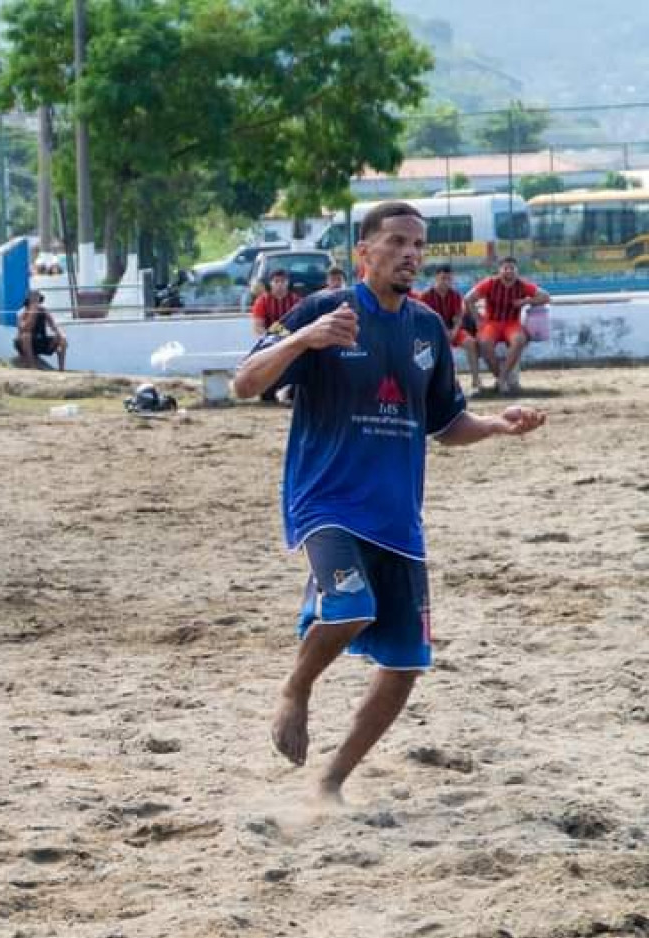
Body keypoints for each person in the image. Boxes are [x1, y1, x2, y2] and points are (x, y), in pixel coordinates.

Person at [230, 200, 546, 803]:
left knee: (405, 664)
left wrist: (497, 425)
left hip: (398, 517)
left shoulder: (427, 328)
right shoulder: (326, 310)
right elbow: (245, 383)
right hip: (327, 502)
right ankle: (295, 690)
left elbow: (446, 424)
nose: (411, 255)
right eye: (397, 241)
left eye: (419, 246)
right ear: (364, 252)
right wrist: (303, 338)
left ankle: (329, 782)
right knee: (349, 605)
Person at [468, 256, 549, 394]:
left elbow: (545, 297)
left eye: (512, 268)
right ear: (500, 270)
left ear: (517, 271)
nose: (509, 271)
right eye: (506, 268)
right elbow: (468, 299)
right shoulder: (490, 283)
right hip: (491, 323)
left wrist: (525, 301)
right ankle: (501, 378)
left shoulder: (522, 285)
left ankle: (502, 378)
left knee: (519, 340)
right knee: (484, 343)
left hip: (512, 323)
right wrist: (477, 319)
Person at [416, 264, 478, 390]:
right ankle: (434, 384)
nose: (445, 282)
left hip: (452, 331)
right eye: (443, 278)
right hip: (433, 333)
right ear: (436, 278)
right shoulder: (426, 296)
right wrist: (442, 333)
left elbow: (458, 317)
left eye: (448, 279)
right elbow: (423, 319)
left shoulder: (455, 295)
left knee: (470, 342)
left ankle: (476, 380)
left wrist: (454, 332)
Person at [16, 291, 67, 371]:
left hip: (40, 340)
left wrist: (60, 335)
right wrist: (32, 313)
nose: (36, 300)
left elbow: (53, 326)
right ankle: (33, 367)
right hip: (24, 342)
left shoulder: (43, 310)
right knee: (26, 336)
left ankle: (61, 369)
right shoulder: (22, 312)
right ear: (29, 299)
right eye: (34, 298)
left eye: (37, 298)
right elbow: (24, 328)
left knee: (62, 339)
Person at [251, 268, 300, 338]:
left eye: (283, 281)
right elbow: (258, 327)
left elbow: (302, 323)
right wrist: (271, 338)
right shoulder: (262, 301)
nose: (280, 284)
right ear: (270, 283)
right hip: (269, 339)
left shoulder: (296, 300)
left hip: (292, 338)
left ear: (288, 283)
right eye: (276, 281)